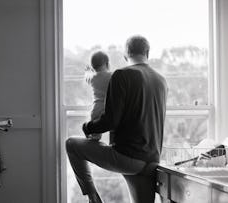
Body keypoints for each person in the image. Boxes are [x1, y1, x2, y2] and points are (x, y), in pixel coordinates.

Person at [66, 35, 167, 203]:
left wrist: (87, 127)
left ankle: (92, 197)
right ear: (147, 53)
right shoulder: (161, 80)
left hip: (127, 157)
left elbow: (110, 121)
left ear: (125, 55)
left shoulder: (121, 75)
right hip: (151, 160)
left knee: (71, 144)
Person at [85, 51, 112, 141]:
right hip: (107, 108)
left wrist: (89, 70)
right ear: (106, 63)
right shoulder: (110, 76)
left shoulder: (92, 78)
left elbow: (87, 76)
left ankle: (91, 152)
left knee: (94, 138)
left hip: (96, 109)